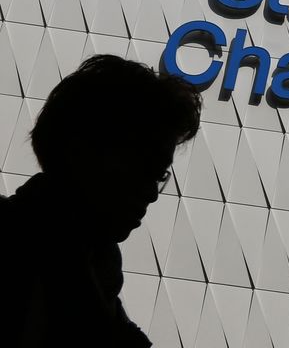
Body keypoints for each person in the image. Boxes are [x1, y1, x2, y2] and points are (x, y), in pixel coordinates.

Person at [0, 54, 202, 347]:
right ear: (82, 150)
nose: (152, 193)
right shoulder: (25, 253)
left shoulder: (97, 270)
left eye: (159, 175)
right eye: (143, 168)